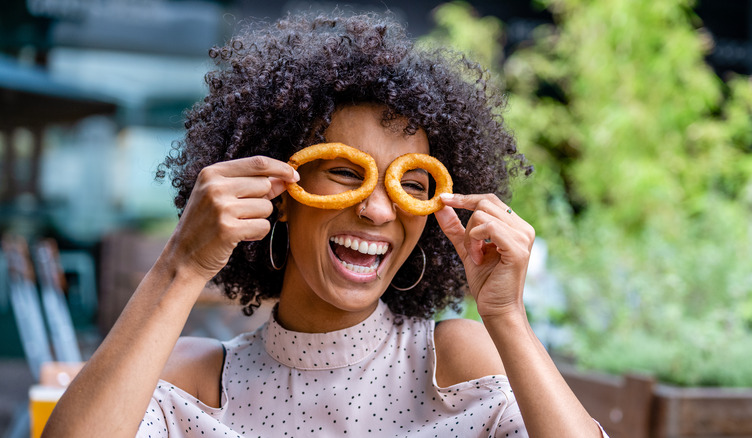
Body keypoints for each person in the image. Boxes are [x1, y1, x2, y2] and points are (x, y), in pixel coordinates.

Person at [43, 11, 608, 438]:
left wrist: (508, 316)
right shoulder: (193, 381)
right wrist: (183, 264)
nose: (380, 209)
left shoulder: (458, 365)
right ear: (280, 194)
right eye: (344, 171)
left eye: (411, 185)